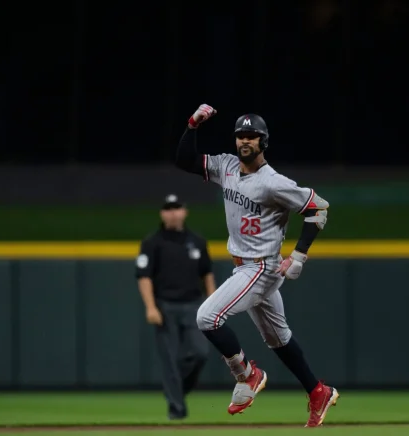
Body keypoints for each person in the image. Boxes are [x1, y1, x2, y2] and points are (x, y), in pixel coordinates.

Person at [173, 104, 339, 427]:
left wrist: (299, 255)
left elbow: (318, 209)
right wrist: (192, 125)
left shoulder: (273, 182)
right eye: (240, 136)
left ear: (263, 142)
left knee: (207, 317)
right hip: (244, 266)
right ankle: (318, 390)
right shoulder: (227, 167)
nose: (244, 141)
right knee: (279, 339)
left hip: (261, 267)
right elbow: (184, 160)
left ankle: (247, 374)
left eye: (252, 136)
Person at [135, 193, 216, 420]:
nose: (173, 212)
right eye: (168, 208)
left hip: (194, 305)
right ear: (162, 213)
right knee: (169, 359)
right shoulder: (152, 242)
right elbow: (144, 276)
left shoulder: (197, 241)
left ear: (184, 211)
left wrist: (213, 304)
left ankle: (176, 389)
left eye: (177, 207)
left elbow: (207, 274)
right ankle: (176, 410)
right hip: (165, 306)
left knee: (200, 352)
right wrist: (150, 307)